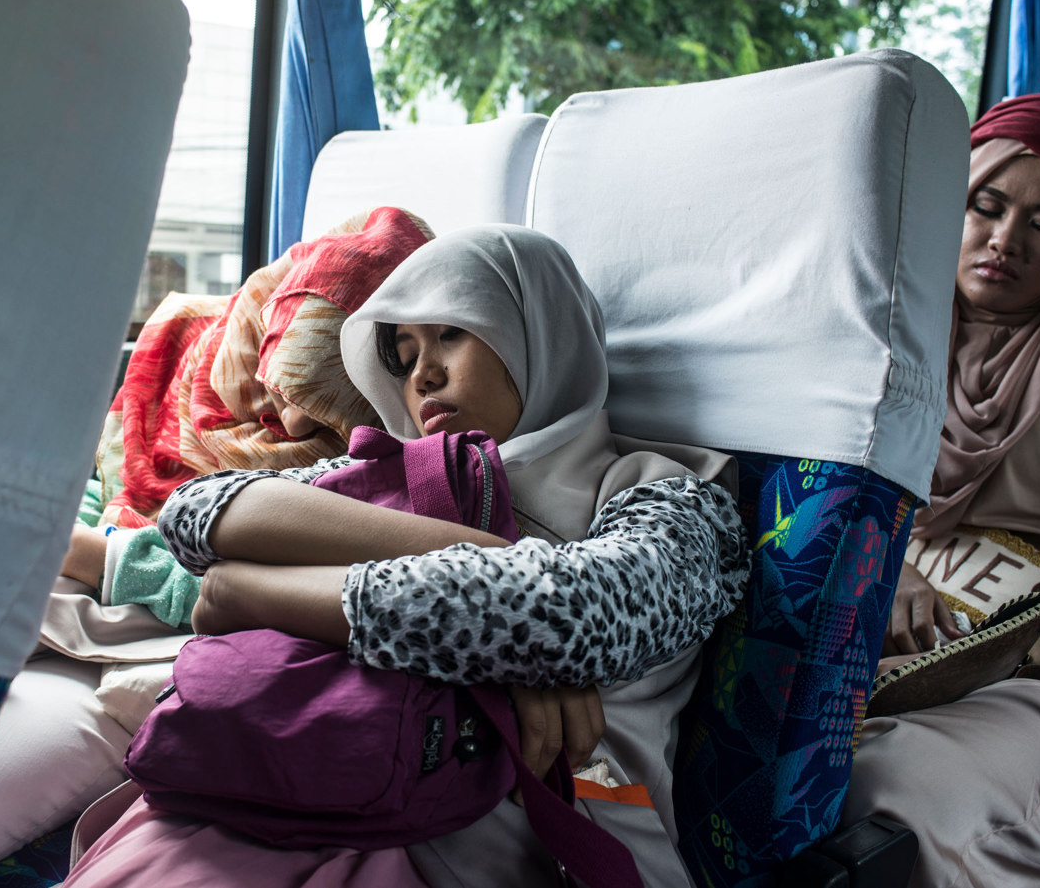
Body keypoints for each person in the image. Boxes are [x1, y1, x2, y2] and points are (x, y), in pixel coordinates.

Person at [62, 224, 751, 888]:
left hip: (489, 836)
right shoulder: (401, 474)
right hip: (291, 772)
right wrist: (491, 572)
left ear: (540, 332)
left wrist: (250, 591)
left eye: (452, 331)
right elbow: (197, 511)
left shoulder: (666, 494)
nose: (423, 373)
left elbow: (568, 614)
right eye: (404, 351)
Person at [0, 207, 434, 885]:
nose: (286, 422)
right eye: (286, 381)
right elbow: (107, 475)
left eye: (325, 409)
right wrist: (54, 534)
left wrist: (93, 554)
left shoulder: (379, 455)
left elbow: (244, 584)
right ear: (269, 324)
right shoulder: (184, 337)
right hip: (60, 583)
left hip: (152, 647)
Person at [842, 94, 1040, 887]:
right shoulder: (885, 335)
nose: (1004, 242)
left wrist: (1008, 646)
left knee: (897, 794)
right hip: (875, 639)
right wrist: (878, 568)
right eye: (985, 206)